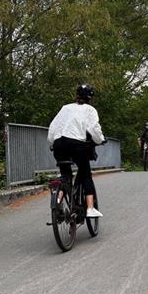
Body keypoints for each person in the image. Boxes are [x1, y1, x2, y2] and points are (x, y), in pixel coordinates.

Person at [48, 84, 105, 218]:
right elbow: (94, 128)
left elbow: (53, 126)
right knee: (85, 173)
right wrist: (100, 140)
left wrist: (53, 141)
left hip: (58, 144)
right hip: (76, 144)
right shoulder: (90, 109)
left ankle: (57, 202)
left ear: (76, 95)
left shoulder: (65, 108)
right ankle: (90, 208)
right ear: (90, 98)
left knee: (65, 175)